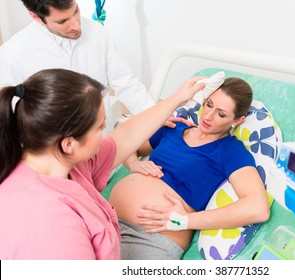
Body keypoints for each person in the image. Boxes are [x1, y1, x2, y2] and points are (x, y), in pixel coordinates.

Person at [0, 68, 205, 259]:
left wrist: (177, 99)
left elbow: (124, 137)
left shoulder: (59, 161)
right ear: (69, 144)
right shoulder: (53, 229)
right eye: (100, 128)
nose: (106, 130)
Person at [109, 77, 271, 260]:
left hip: (150, 237)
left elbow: (257, 208)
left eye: (221, 114)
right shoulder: (174, 127)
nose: (208, 115)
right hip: (108, 219)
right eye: (209, 104)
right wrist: (134, 164)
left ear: (238, 120)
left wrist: (185, 220)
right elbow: (123, 146)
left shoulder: (230, 151)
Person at [0, 0, 158, 133]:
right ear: (36, 17)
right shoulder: (13, 54)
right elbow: (12, 116)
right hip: (56, 159)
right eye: (62, 21)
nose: (76, 26)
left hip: (105, 149)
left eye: (75, 11)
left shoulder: (97, 32)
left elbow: (126, 82)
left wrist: (157, 117)